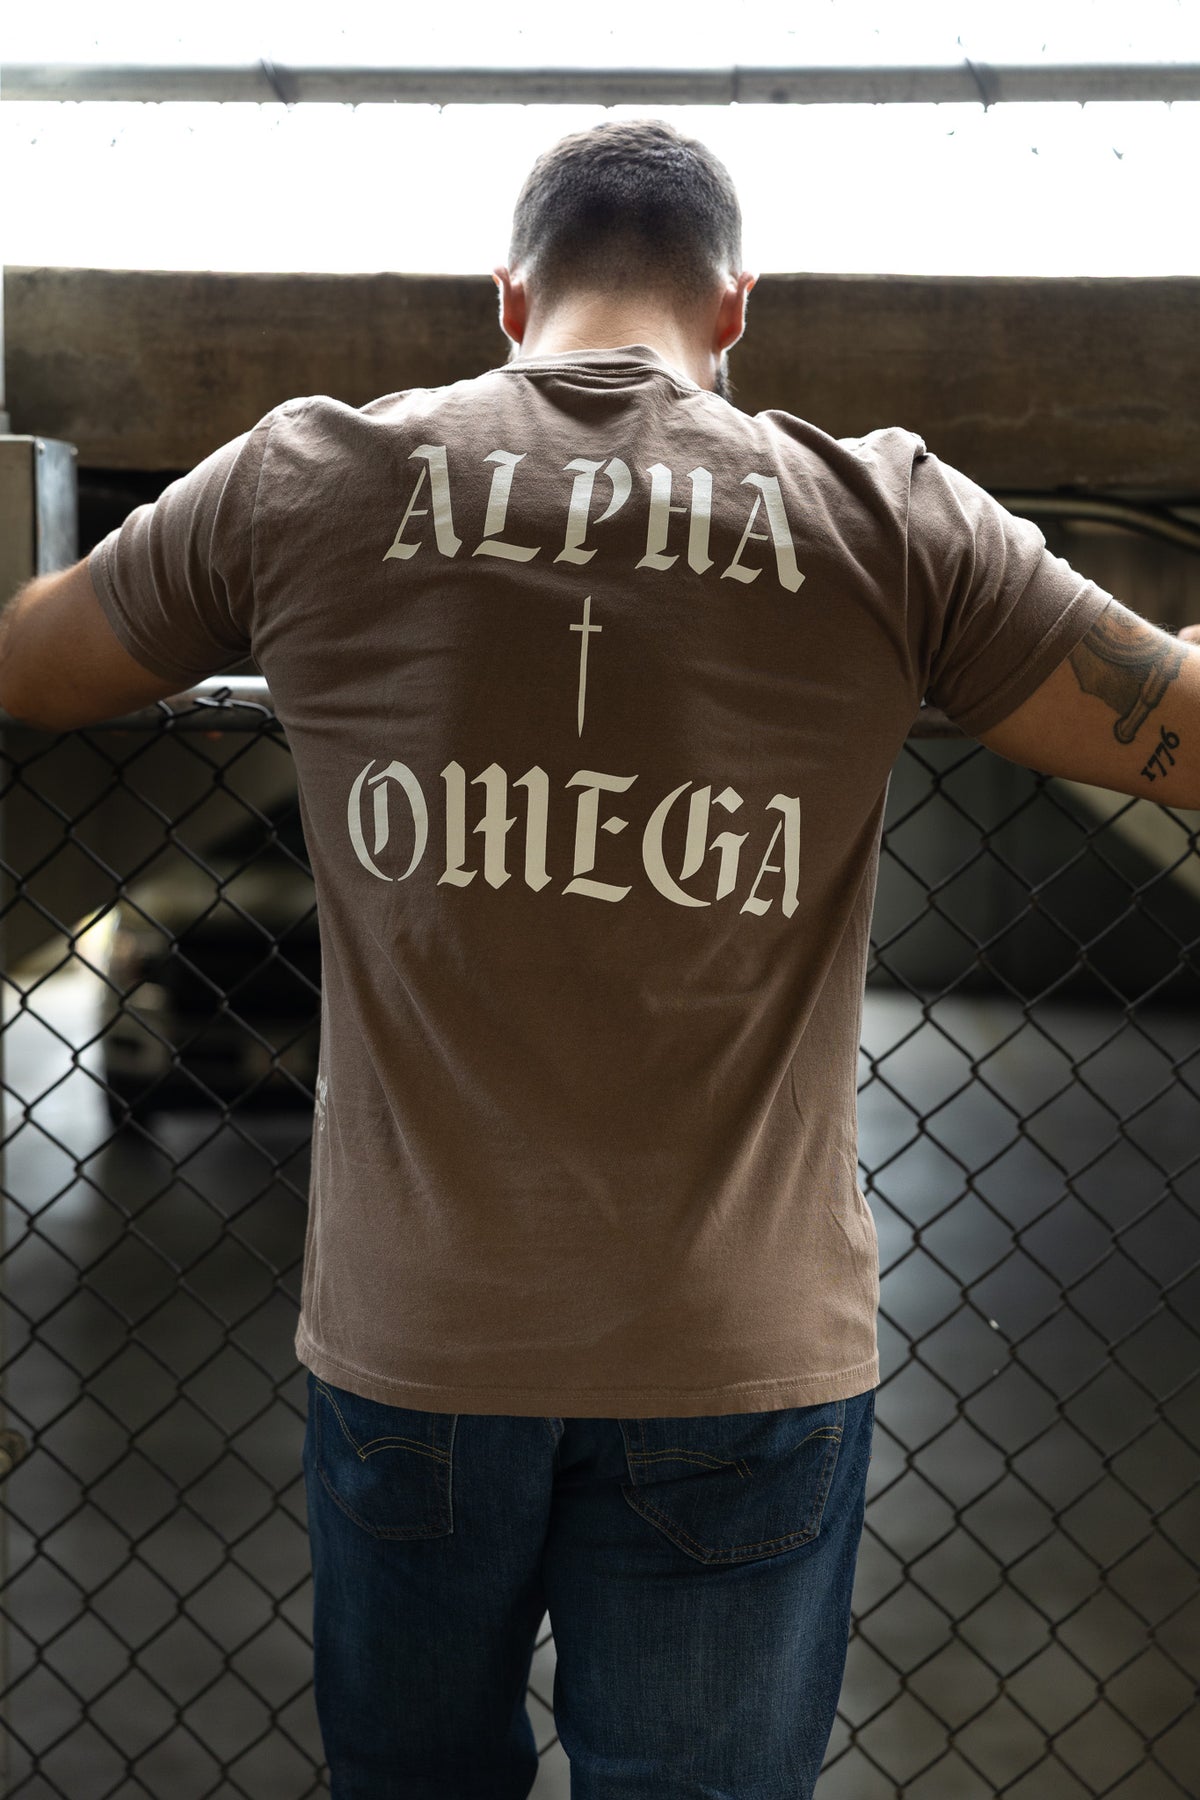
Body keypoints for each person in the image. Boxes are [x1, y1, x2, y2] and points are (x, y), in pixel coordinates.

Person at [1, 119, 1197, 1800]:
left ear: (509, 298)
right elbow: (1182, 728)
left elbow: (36, 666)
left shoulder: (309, 478)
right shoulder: (887, 517)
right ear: (734, 312)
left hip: (420, 1339)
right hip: (734, 1344)